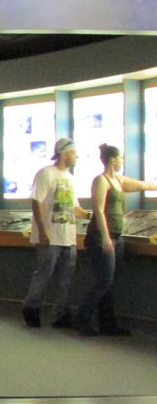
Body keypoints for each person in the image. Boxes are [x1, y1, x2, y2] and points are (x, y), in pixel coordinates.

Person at [73, 144, 155, 336]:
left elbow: (143, 185)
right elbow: (99, 210)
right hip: (101, 237)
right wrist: (105, 235)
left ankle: (107, 324)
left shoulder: (118, 180)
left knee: (109, 282)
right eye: (121, 158)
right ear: (112, 160)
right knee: (103, 281)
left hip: (116, 238)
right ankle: (81, 319)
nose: (123, 161)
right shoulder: (101, 181)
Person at [22, 138, 81, 328]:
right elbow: (36, 202)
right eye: (73, 153)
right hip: (50, 236)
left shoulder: (71, 178)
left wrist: (92, 215)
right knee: (44, 274)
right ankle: (31, 308)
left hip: (68, 238)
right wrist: (42, 231)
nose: (76, 156)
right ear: (64, 154)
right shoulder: (45, 174)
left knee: (66, 279)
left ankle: (59, 315)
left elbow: (74, 208)